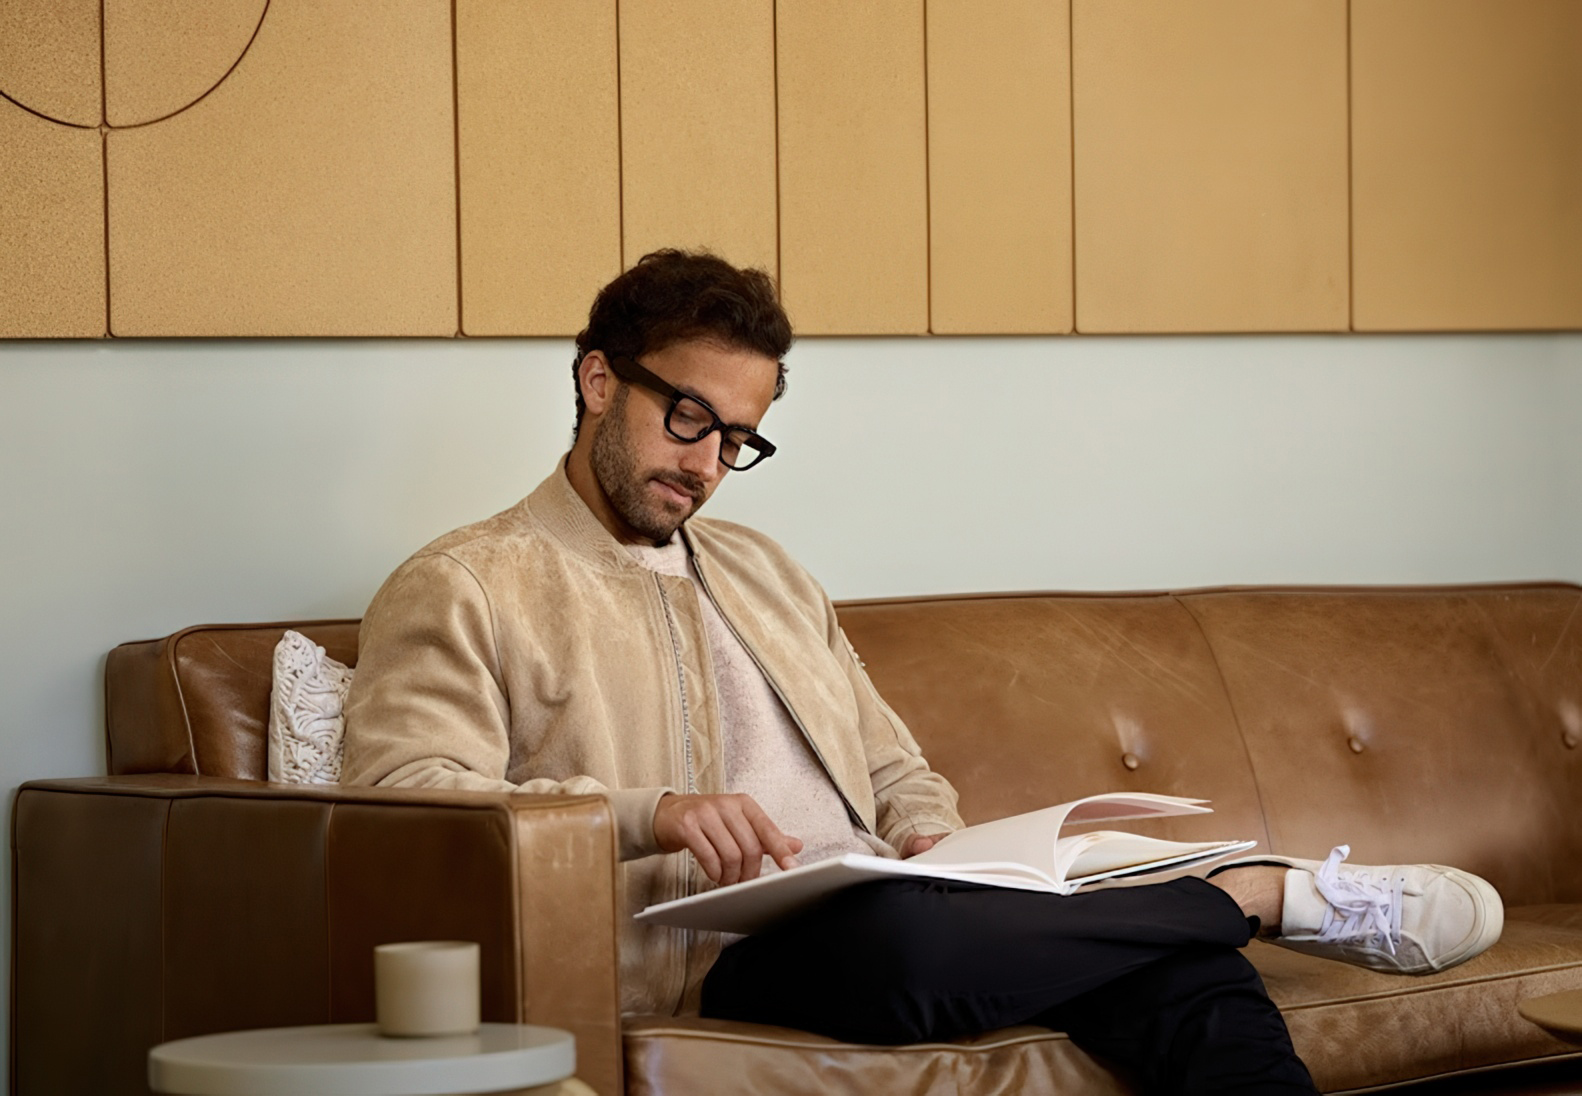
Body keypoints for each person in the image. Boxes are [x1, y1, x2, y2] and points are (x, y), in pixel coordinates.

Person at [342, 249, 1502, 1095]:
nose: (705, 466)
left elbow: (894, 760)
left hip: (874, 897)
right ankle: (1254, 894)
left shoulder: (764, 571)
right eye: (686, 419)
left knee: (1185, 986)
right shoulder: (468, 582)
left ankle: (1202, 914)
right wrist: (658, 812)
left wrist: (931, 834)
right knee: (926, 953)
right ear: (599, 380)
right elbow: (402, 808)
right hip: (705, 958)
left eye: (735, 440)